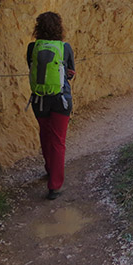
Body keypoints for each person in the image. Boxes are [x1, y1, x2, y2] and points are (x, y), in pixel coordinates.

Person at [26, 12, 75, 200]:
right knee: (58, 140)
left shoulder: (32, 48)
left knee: (45, 135)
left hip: (39, 99)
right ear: (59, 28)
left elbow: (30, 68)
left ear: (38, 28)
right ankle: (55, 185)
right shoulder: (65, 47)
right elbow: (70, 73)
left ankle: (49, 169)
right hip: (61, 99)